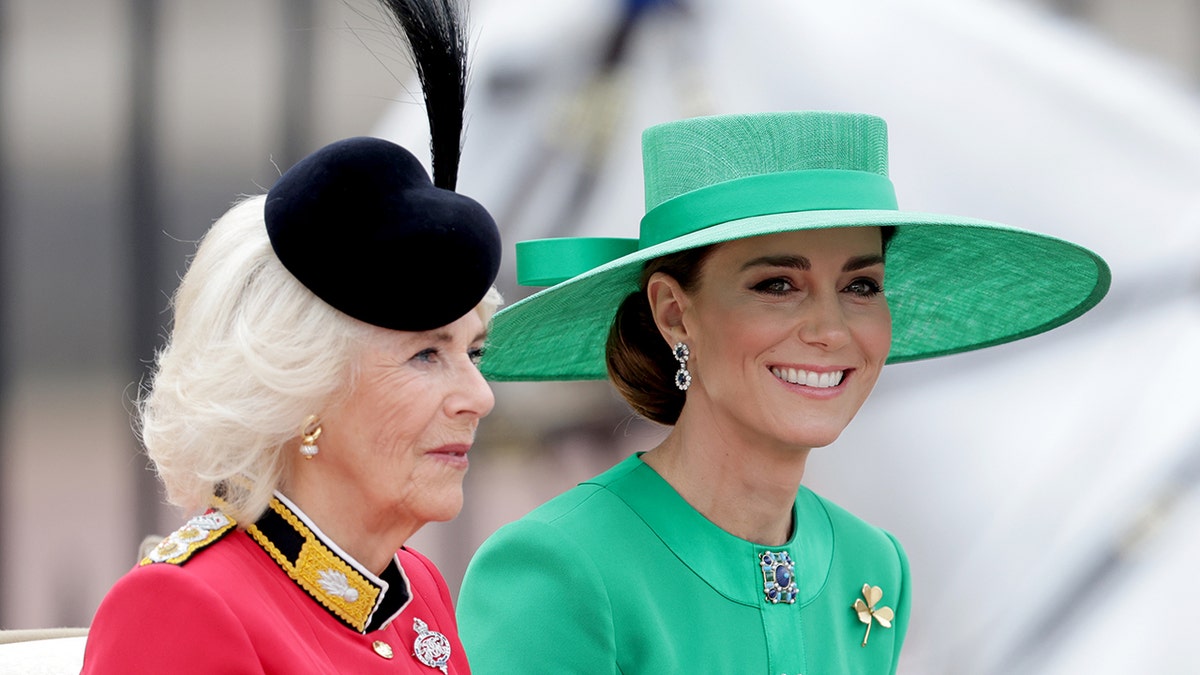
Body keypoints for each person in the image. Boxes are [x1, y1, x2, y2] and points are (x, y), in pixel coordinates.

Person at [455, 111, 1110, 674]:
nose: (830, 329)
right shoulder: (558, 567)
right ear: (675, 313)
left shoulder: (873, 562)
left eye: (860, 286)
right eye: (777, 285)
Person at [81, 2, 498, 672]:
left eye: (471, 352)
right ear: (301, 387)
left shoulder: (416, 591)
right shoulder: (181, 604)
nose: (478, 396)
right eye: (427, 353)